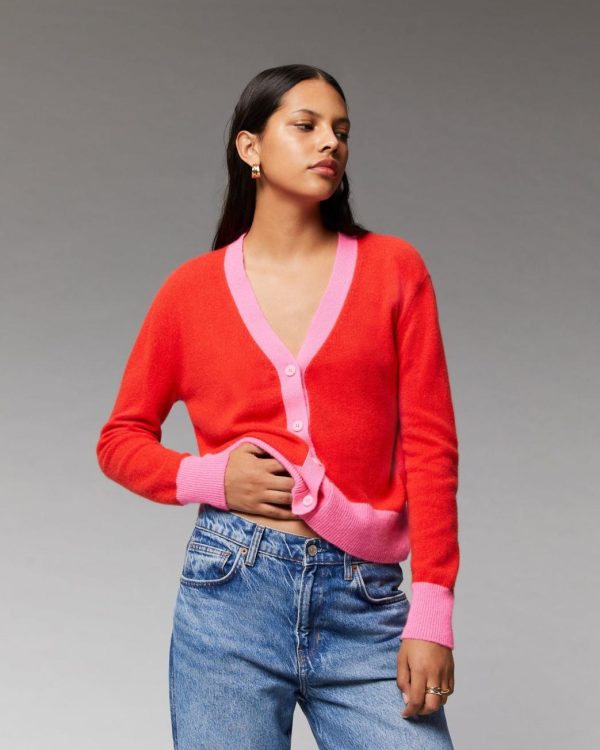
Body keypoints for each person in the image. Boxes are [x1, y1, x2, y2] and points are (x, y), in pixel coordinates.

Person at [96, 63, 459, 749]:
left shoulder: (393, 270)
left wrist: (433, 611)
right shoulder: (191, 292)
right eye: (306, 125)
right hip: (230, 593)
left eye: (341, 131)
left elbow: (430, 447)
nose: (330, 143)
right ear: (250, 147)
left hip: (366, 602)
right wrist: (208, 477)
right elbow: (120, 439)